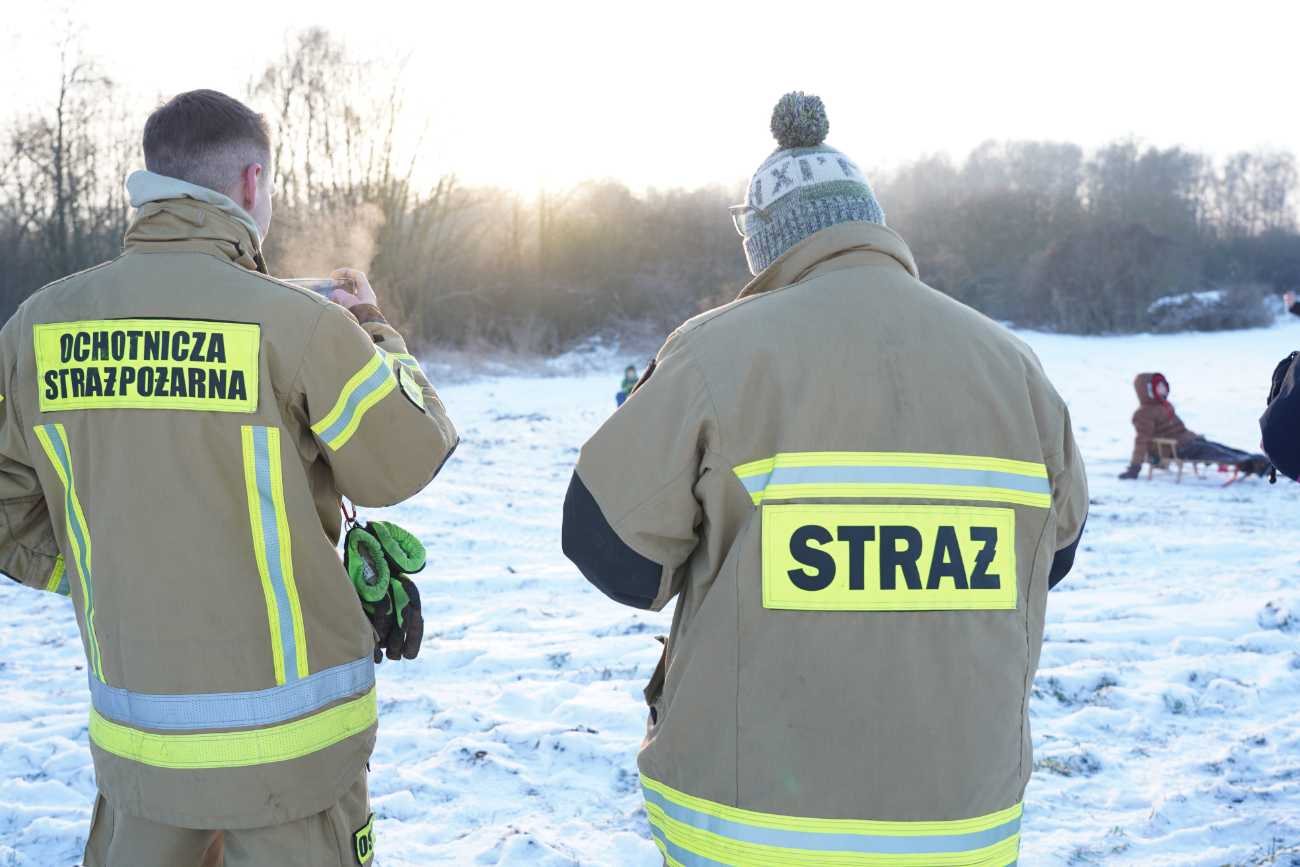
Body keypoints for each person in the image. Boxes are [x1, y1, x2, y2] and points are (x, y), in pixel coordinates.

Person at [561, 92, 1088, 866]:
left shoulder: (716, 353)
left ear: (766, 247)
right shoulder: (1014, 365)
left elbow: (609, 550)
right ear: (872, 222)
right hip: (961, 824)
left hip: (751, 829)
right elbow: (1055, 553)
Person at [0, 90, 458, 867]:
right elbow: (410, 453)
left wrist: (106, 568)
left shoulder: (36, 329)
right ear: (251, 185)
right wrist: (373, 329)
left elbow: (10, 514)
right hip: (294, 763)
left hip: (140, 754)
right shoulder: (300, 323)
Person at [1119, 372, 1269, 479]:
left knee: (1218, 447)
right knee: (1214, 453)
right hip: (1175, 448)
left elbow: (1179, 428)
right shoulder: (1144, 413)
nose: (1164, 390)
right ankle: (1254, 465)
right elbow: (1141, 440)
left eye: (1164, 386)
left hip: (1185, 442)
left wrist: (1193, 436)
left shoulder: (1165, 406)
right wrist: (1134, 468)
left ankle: (1257, 459)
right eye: (1159, 387)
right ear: (1149, 391)